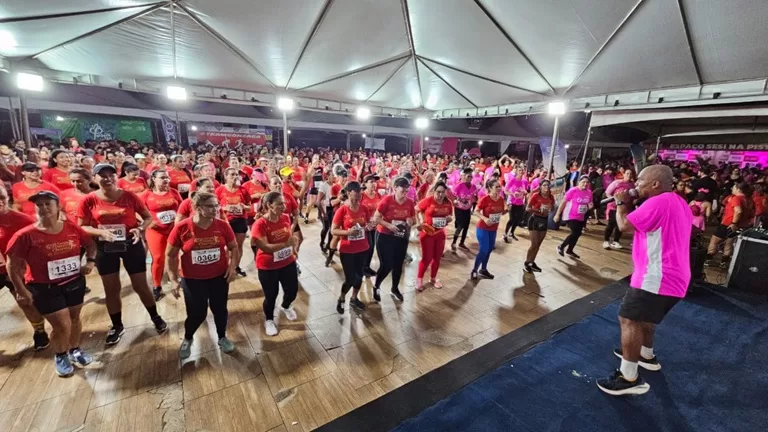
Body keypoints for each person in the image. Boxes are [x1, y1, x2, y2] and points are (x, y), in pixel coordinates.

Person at [597, 165, 692, 396]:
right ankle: (646, 355)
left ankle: (628, 377)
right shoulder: (679, 202)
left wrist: (620, 203)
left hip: (656, 276)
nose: (635, 185)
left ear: (656, 184)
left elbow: (625, 225)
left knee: (628, 319)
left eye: (640, 180)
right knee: (646, 319)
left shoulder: (658, 202)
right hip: (676, 277)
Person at [6, 191, 97, 377]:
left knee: (74, 319)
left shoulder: (71, 228)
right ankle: (61, 354)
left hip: (73, 282)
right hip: (44, 287)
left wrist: (90, 262)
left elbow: (90, 244)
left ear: (58, 207)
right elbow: (12, 265)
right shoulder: (25, 235)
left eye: (48, 204)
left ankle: (75, 349)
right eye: (39, 205)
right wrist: (21, 289)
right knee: (62, 325)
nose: (44, 208)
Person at [77, 164, 167, 345]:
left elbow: (147, 217)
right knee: (112, 289)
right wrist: (99, 232)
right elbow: (82, 226)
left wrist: (139, 229)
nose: (108, 178)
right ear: (94, 178)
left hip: (130, 245)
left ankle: (155, 317)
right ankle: (117, 325)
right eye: (102, 175)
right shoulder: (89, 200)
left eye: (111, 175)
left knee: (141, 286)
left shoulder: (129, 196)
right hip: (105, 248)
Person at [166, 192, 239, 359]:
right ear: (198, 208)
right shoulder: (182, 227)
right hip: (192, 279)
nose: (215, 209)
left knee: (220, 309)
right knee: (197, 313)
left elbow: (234, 247)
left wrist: (232, 267)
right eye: (210, 206)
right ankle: (188, 338)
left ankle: (222, 337)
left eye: (216, 205)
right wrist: (173, 280)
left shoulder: (222, 226)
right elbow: (170, 254)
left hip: (218, 277)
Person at [0, 187, 50, 350]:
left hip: (16, 269)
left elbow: (38, 244)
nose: (0, 202)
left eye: (2, 198)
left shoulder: (22, 220)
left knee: (25, 301)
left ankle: (40, 331)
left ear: (8, 198)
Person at [250, 191, 299, 336]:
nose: (284, 206)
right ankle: (269, 320)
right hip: (268, 266)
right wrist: (285, 245)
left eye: (284, 203)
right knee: (271, 295)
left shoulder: (285, 218)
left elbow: (289, 237)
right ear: (269, 205)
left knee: (292, 290)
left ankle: (285, 306)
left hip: (287, 261)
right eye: (279, 204)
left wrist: (293, 249)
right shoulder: (260, 224)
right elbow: (264, 247)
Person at [141, 169, 183, 300]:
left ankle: (175, 279)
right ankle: (157, 286)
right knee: (159, 258)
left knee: (175, 255)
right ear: (154, 179)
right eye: (162, 177)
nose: (166, 180)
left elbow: (182, 208)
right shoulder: (146, 194)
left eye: (167, 177)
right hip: (155, 231)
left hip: (173, 229)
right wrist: (146, 222)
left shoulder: (174, 192)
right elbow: (136, 211)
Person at [373, 176, 415, 302]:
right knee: (386, 265)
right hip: (385, 235)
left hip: (401, 237)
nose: (405, 193)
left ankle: (395, 288)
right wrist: (389, 225)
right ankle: (377, 286)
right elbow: (376, 218)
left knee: (398, 265)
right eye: (403, 190)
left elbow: (414, 220)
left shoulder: (410, 203)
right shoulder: (387, 200)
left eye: (407, 191)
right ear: (395, 188)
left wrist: (410, 221)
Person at [331, 182, 372, 313]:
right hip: (347, 249)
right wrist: (348, 232)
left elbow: (368, 224)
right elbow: (334, 231)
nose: (359, 194)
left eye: (360, 191)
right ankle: (342, 297)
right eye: (356, 191)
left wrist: (370, 227)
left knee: (359, 276)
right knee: (350, 278)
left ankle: (354, 298)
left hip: (362, 247)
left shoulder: (364, 208)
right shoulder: (342, 210)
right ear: (348, 193)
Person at [706, 182, 754, 267]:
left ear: (739, 189)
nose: (732, 188)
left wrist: (734, 223)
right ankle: (723, 263)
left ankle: (708, 260)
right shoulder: (750, 200)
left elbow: (738, 211)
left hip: (728, 224)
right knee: (729, 244)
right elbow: (751, 215)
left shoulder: (736, 198)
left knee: (714, 241)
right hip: (741, 225)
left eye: (734, 187)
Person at [416, 180, 453, 290]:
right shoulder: (428, 200)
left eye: (442, 192)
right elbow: (416, 210)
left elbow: (451, 216)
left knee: (437, 258)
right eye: (438, 192)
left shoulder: (448, 202)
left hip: (440, 233)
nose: (440, 195)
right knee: (426, 258)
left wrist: (449, 219)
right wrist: (419, 223)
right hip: (427, 233)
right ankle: (419, 280)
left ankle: (433, 278)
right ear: (433, 191)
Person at [216, 168, 251, 277]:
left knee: (237, 245)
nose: (235, 176)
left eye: (236, 174)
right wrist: (224, 208)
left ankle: (235, 267)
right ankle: (225, 267)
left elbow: (249, 208)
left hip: (240, 221)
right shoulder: (219, 190)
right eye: (232, 174)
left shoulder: (243, 190)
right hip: (225, 222)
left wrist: (244, 207)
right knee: (225, 246)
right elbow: (214, 206)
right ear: (225, 176)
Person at [472, 179, 505, 280]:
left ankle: (484, 269)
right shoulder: (485, 199)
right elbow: (476, 211)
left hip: (493, 229)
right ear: (490, 188)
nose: (499, 188)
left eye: (499, 186)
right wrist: (485, 218)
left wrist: (507, 211)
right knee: (484, 249)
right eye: (496, 187)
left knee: (489, 249)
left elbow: (500, 213)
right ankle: (474, 270)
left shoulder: (501, 199)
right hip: (483, 228)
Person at [554, 175, 594, 259]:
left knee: (578, 233)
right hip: (570, 215)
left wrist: (590, 205)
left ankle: (570, 250)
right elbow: (563, 202)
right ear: (579, 182)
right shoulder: (573, 190)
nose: (585, 184)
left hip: (581, 216)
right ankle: (561, 246)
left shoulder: (589, 192)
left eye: (587, 182)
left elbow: (590, 203)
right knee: (575, 232)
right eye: (583, 182)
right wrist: (557, 214)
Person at [524, 180, 555, 273]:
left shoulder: (551, 196)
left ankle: (532, 262)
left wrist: (549, 208)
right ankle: (527, 262)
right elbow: (527, 208)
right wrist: (538, 210)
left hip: (544, 221)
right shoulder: (536, 196)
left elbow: (552, 207)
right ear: (540, 187)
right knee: (534, 244)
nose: (546, 187)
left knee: (538, 245)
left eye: (548, 185)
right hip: (535, 220)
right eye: (544, 185)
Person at [603, 170, 636, 250]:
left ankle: (616, 241)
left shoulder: (633, 185)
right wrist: (615, 200)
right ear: (623, 174)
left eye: (631, 174)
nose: (629, 175)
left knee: (620, 225)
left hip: (625, 208)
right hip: (614, 207)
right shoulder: (617, 182)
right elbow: (607, 192)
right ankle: (606, 241)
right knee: (611, 224)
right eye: (627, 173)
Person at [360, 175, 382, 276]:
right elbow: (357, 210)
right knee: (367, 246)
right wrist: (365, 223)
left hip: (374, 225)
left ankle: (366, 267)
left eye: (375, 182)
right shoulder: (361, 196)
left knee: (372, 247)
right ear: (365, 184)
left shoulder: (377, 195)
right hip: (364, 225)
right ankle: (363, 267)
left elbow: (381, 209)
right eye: (371, 182)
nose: (374, 184)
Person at [451, 168, 477, 251]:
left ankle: (461, 243)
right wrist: (456, 200)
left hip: (467, 209)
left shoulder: (473, 186)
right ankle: (454, 242)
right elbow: (453, 195)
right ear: (464, 176)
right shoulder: (459, 185)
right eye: (468, 176)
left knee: (466, 226)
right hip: (459, 208)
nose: (469, 178)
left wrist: (474, 199)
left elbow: (475, 197)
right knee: (460, 226)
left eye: (471, 176)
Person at [503, 165, 528, 242]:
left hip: (520, 203)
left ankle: (512, 233)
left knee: (517, 220)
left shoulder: (525, 181)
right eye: (519, 170)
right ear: (516, 171)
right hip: (512, 202)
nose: (521, 172)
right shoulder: (512, 180)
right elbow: (505, 191)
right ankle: (505, 234)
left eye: (522, 170)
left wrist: (525, 192)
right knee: (511, 219)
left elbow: (525, 191)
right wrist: (512, 194)